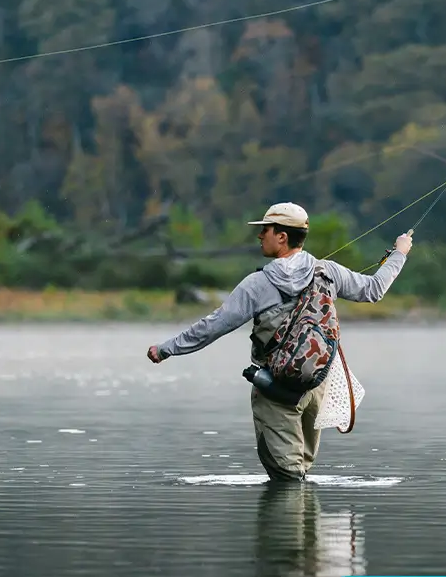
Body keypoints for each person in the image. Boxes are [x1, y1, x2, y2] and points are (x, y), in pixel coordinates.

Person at [147, 202, 413, 481]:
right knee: (301, 472)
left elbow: (213, 326)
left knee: (286, 476)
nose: (260, 235)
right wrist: (400, 253)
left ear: (282, 237)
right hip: (315, 384)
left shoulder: (256, 284)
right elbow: (374, 289)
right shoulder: (329, 271)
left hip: (275, 387)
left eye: (265, 230)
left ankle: (287, 523)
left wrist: (166, 349)